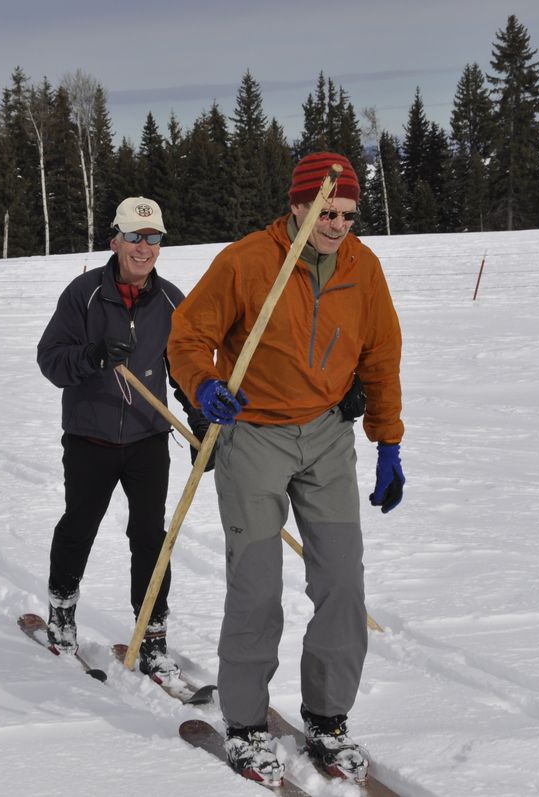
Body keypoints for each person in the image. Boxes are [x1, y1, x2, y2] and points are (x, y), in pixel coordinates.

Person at [167, 152, 405, 786]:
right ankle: (245, 725)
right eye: (324, 212)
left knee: (343, 586)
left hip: (327, 436)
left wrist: (388, 443)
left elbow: (381, 357)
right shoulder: (248, 260)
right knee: (256, 587)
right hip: (254, 436)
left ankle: (328, 720)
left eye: (347, 215)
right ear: (296, 206)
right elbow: (187, 335)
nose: (335, 225)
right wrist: (205, 386)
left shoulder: (363, 267)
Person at [36, 196, 210, 682]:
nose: (144, 247)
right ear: (115, 240)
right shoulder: (84, 294)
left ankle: (153, 636)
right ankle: (62, 616)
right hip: (90, 435)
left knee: (150, 536)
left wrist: (199, 421)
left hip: (148, 437)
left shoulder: (173, 299)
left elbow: (186, 369)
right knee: (79, 525)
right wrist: (91, 355)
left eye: (153, 238)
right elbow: (51, 360)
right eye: (135, 236)